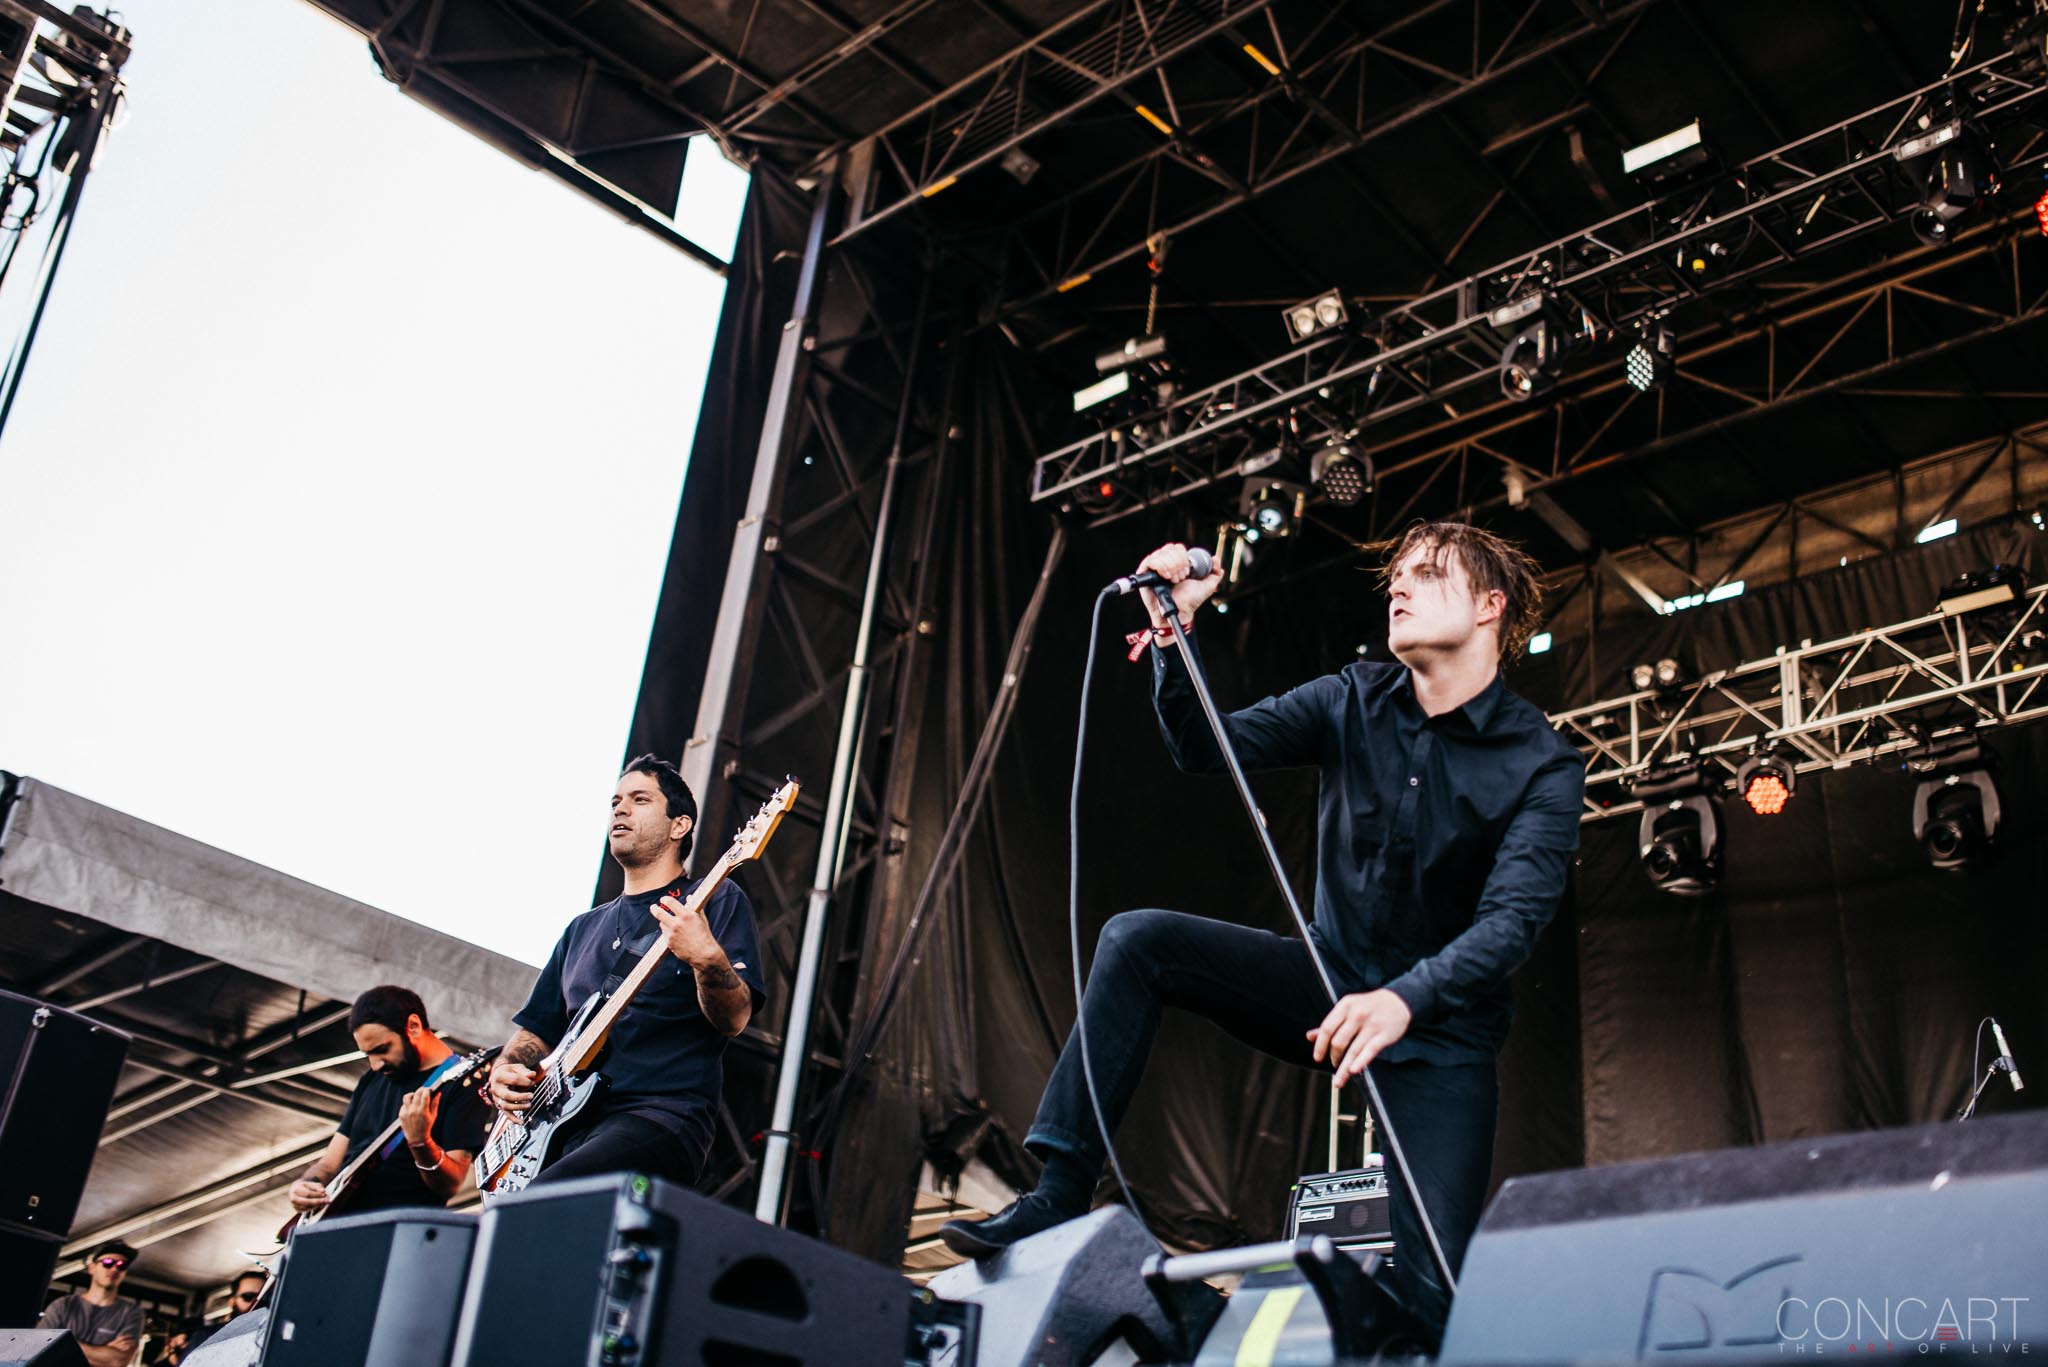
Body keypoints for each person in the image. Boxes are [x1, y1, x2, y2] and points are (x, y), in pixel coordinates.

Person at [939, 521, 1585, 1336]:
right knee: (1137, 940)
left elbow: (1513, 923)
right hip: (1324, 978)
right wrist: (1174, 630)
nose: (1399, 586)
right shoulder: (1352, 694)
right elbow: (1207, 746)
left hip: (1442, 1038)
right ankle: (1059, 1190)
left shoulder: (1541, 764)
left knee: (1437, 1298)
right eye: (1397, 575)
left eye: (1426, 573)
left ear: (1491, 607)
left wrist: (1403, 1000)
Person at [486, 755, 764, 1186]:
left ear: (679, 826)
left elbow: (735, 1018)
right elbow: (536, 1029)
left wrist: (706, 958)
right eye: (616, 801)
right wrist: (507, 1071)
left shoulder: (714, 901)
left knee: (536, 1209)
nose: (620, 809)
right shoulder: (582, 929)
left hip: (659, 1117)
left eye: (639, 800)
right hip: (562, 1125)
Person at [286, 986, 493, 1219]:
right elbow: (329, 1164)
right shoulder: (372, 1079)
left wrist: (420, 1142)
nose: (375, 1064)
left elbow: (451, 1185)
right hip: (334, 1226)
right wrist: (305, 1185)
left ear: (413, 1026)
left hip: (396, 1232)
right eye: (368, 1055)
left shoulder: (463, 1084)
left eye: (382, 1050)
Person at [39, 1239, 144, 1366]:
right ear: (92, 1268)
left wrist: (63, 1341)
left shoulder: (131, 1313)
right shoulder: (63, 1305)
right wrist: (104, 1352)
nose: (115, 1269)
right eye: (108, 1262)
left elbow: (118, 1361)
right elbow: (41, 1348)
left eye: (122, 1265)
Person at [180, 1269, 266, 1353]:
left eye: (264, 1296)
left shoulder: (274, 1334)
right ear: (232, 1302)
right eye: (248, 1296)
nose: (257, 1302)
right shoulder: (206, 1336)